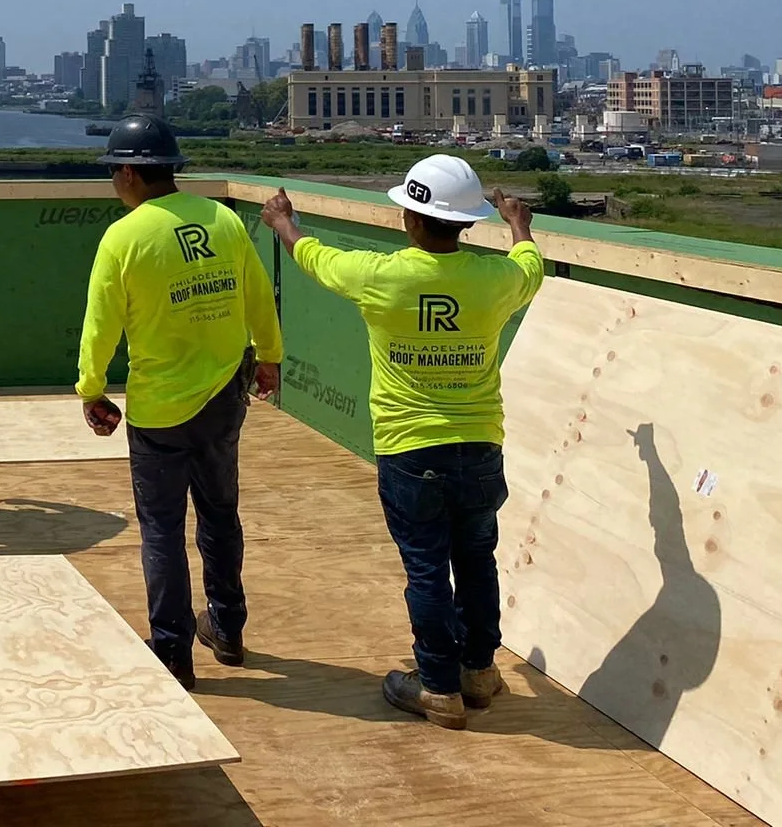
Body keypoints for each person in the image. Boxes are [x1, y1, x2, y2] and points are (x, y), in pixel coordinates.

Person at [260, 154, 542, 729]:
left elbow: (313, 257)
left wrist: (284, 222)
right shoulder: (495, 281)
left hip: (410, 451)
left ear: (410, 218)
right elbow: (530, 267)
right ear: (466, 223)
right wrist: (518, 224)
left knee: (427, 570)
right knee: (477, 561)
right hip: (479, 448)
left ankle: (437, 686)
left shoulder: (380, 276)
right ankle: (478, 671)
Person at [76, 114, 282, 690]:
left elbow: (100, 325)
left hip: (160, 409)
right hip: (224, 397)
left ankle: (172, 651)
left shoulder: (124, 238)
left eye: (113, 172)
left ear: (128, 174)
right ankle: (228, 628)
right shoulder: (222, 219)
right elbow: (257, 293)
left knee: (162, 529)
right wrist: (269, 354)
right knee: (220, 513)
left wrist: (91, 388)